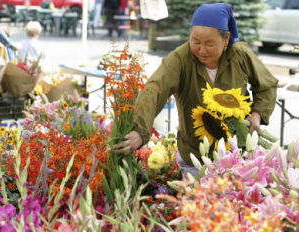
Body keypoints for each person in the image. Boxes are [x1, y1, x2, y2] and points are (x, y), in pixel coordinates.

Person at [114, 3, 278, 177]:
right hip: (195, 156)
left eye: (209, 43)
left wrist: (257, 114)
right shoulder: (180, 58)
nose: (202, 50)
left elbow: (267, 85)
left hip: (239, 155)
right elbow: (155, 88)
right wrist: (141, 131)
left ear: (226, 39)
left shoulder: (240, 55)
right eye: (196, 41)